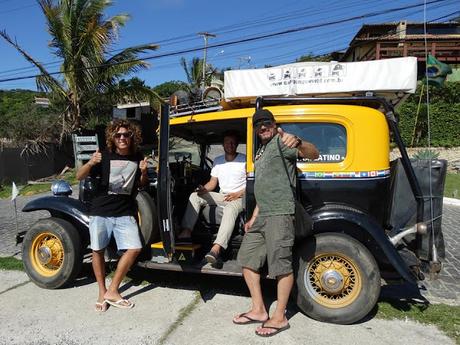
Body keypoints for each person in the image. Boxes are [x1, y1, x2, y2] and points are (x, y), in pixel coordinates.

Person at [233, 109, 319, 337]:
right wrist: (253, 217)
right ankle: (259, 309)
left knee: (280, 265)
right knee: (247, 260)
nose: (263, 127)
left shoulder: (283, 142)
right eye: (258, 124)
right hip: (262, 216)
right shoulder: (260, 152)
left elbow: (313, 154)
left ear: (274, 124)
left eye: (266, 123)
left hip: (280, 214)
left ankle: (279, 317)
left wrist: (298, 141)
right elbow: (265, 186)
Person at [76, 119, 148, 312]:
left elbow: (141, 185)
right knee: (98, 250)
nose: (122, 138)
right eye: (118, 135)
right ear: (112, 138)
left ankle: (113, 290)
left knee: (134, 248)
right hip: (101, 211)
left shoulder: (137, 156)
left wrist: (143, 172)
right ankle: (102, 291)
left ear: (132, 136)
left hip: (125, 211)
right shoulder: (104, 155)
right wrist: (91, 163)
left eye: (126, 134)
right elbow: (79, 176)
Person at [177, 131, 246, 265]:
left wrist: (238, 194)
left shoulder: (245, 159)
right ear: (223, 145)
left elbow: (251, 183)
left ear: (237, 144)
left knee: (231, 208)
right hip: (223, 195)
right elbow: (213, 183)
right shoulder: (218, 161)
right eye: (227, 142)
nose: (230, 145)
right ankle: (186, 232)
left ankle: (216, 249)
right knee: (195, 196)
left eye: (232, 142)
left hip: (239, 197)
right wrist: (204, 189)